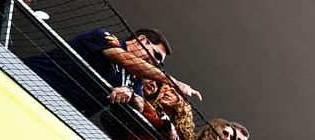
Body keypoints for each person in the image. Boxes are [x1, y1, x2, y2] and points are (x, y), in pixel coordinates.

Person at [23, 27, 200, 120]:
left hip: (61, 110)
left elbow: (139, 104)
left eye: (159, 63)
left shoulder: (135, 78)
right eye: (155, 55)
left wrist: (130, 95)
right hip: (31, 81)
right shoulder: (106, 36)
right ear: (142, 40)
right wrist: (172, 82)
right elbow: (124, 59)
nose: (155, 63)